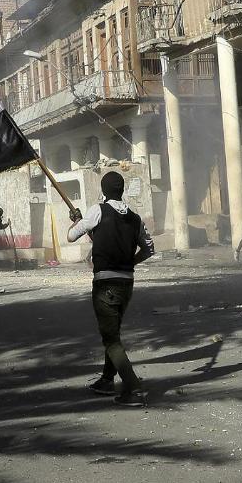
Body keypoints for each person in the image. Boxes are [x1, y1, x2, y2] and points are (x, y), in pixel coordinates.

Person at [68, 172, 154, 407]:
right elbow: (148, 249)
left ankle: (133, 389)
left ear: (104, 191)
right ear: (122, 190)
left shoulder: (98, 210)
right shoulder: (136, 218)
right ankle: (107, 380)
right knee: (113, 332)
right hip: (127, 283)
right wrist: (129, 263)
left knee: (111, 339)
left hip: (105, 283)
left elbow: (71, 235)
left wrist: (78, 221)